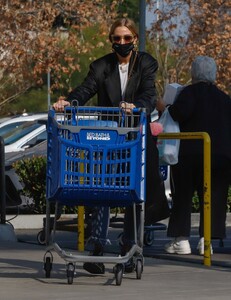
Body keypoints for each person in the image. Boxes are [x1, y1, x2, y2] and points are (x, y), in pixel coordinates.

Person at [53, 17, 168, 273]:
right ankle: (97, 245)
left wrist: (136, 107)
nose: (122, 43)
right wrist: (68, 102)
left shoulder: (146, 63)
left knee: (132, 192)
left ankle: (129, 244)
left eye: (127, 38)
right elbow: (85, 90)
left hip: (135, 136)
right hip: (108, 138)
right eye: (117, 39)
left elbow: (149, 94)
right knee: (103, 189)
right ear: (111, 41)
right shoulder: (101, 66)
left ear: (135, 39)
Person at [157, 56, 231, 255]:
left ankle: (181, 240)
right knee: (214, 196)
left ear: (193, 74)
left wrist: (167, 107)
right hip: (220, 157)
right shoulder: (224, 98)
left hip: (189, 155)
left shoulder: (188, 93)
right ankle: (206, 240)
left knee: (183, 195)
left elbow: (178, 114)